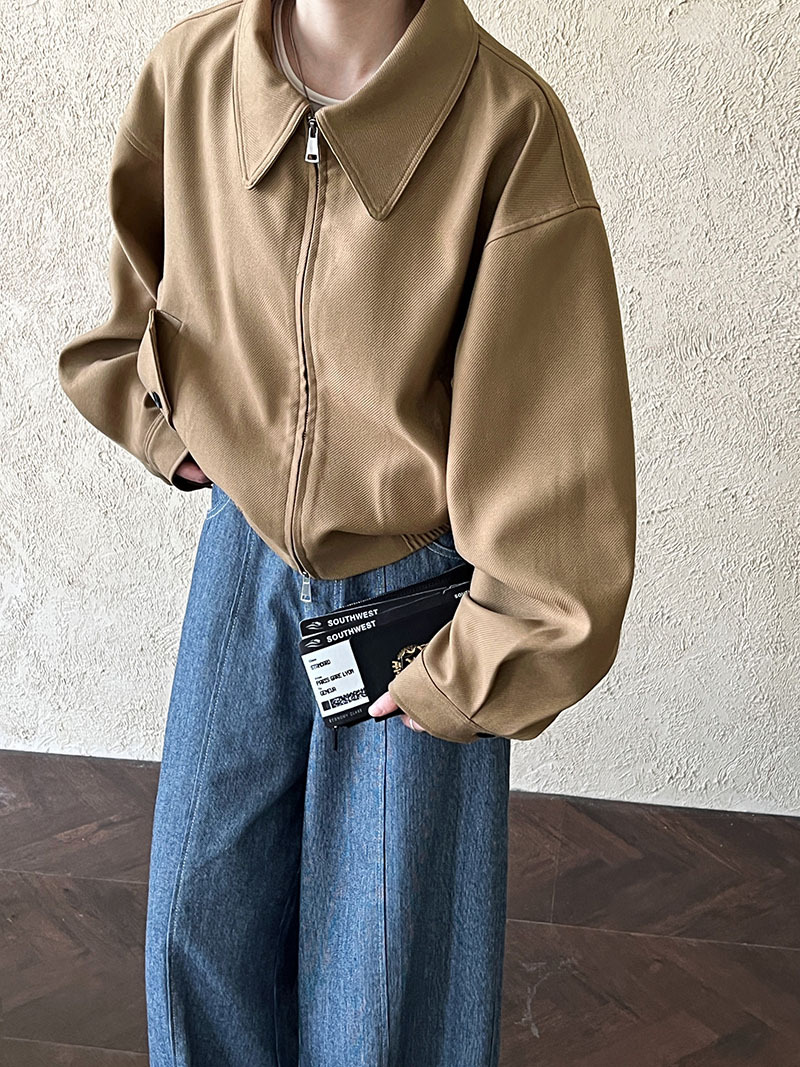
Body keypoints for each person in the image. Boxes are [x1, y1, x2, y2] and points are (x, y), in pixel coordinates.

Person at [56, 0, 637, 1062]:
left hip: (415, 599)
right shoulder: (195, 73)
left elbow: (555, 444)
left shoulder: (506, 127)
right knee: (195, 931)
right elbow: (137, 293)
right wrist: (164, 426)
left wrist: (478, 661)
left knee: (383, 989)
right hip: (242, 559)